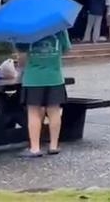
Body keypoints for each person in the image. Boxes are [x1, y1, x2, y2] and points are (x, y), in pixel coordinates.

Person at [16, 29, 71, 157]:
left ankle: (35, 148)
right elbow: (66, 48)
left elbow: (21, 48)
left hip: (33, 79)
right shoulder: (60, 28)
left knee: (34, 112)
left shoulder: (29, 29)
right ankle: (54, 145)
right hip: (55, 77)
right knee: (54, 111)